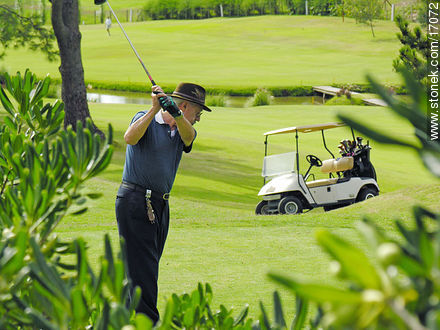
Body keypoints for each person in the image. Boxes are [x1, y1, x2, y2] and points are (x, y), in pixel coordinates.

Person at [115, 83, 211, 323]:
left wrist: (178, 115)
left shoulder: (183, 130)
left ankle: (129, 320)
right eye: (197, 113)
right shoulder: (144, 118)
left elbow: (190, 136)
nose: (197, 119)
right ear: (185, 105)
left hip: (159, 205)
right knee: (143, 268)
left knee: (145, 267)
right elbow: (130, 138)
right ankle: (147, 322)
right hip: (136, 200)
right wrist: (153, 109)